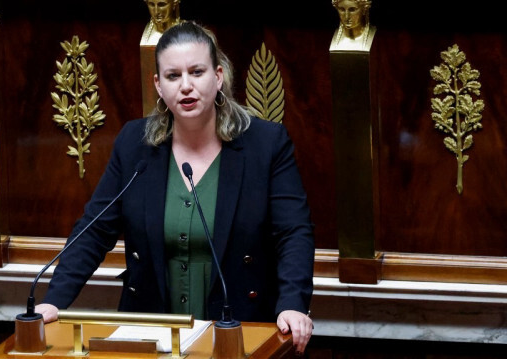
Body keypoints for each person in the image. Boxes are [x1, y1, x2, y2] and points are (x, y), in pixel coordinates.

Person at [36, 21, 315, 353]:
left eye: (197, 72)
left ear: (219, 76)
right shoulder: (134, 144)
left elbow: (293, 232)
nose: (186, 86)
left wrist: (293, 302)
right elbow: (94, 231)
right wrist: (54, 301)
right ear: (158, 84)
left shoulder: (265, 144)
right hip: (151, 332)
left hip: (240, 327)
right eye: (173, 76)